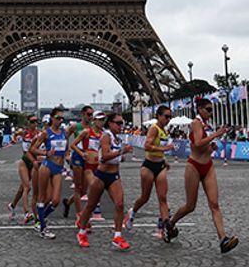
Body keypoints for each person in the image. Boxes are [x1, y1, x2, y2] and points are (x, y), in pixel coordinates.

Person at [163, 98, 239, 254]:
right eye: (208, 110)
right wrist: (216, 135)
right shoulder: (196, 123)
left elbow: (203, 145)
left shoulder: (206, 125)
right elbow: (197, 143)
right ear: (200, 109)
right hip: (194, 167)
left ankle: (223, 239)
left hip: (208, 166)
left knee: (214, 204)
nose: (211, 113)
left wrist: (211, 146)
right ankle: (170, 224)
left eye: (212, 110)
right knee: (190, 206)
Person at [76, 112, 133, 250]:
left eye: (122, 123)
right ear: (110, 124)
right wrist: (121, 152)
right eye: (118, 123)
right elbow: (105, 157)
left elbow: (113, 156)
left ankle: (117, 236)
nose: (121, 126)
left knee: (120, 204)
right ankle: (82, 232)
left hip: (114, 175)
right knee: (91, 205)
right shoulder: (105, 137)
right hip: (101, 175)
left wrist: (121, 157)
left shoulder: (117, 139)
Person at [127, 106, 175, 239]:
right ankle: (132, 212)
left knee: (163, 198)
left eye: (170, 117)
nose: (168, 119)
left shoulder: (164, 131)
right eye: (166, 116)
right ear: (158, 116)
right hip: (148, 166)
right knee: (145, 197)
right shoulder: (154, 128)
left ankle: (164, 228)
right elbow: (146, 146)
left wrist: (164, 159)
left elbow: (158, 150)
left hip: (160, 166)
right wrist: (165, 148)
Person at [33, 108, 69, 239]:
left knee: (55, 200)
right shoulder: (46, 133)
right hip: (47, 166)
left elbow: (66, 150)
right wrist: (46, 153)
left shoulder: (64, 133)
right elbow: (33, 149)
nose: (60, 120)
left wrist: (69, 157)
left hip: (58, 168)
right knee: (42, 197)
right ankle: (43, 227)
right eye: (58, 118)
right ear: (52, 118)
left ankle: (40, 219)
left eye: (62, 119)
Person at [9, 115, 41, 224]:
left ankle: (12, 205)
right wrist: (13, 139)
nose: (35, 124)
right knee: (27, 187)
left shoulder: (39, 134)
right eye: (32, 121)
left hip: (34, 162)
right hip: (25, 162)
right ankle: (26, 213)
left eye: (36, 121)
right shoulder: (24, 132)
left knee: (22, 188)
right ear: (28, 123)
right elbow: (15, 134)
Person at [66, 106, 96, 220]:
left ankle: (69, 202)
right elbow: (64, 138)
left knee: (84, 190)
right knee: (78, 187)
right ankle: (80, 215)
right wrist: (66, 153)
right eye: (88, 114)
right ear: (83, 114)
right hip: (78, 156)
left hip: (89, 158)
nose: (91, 116)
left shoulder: (94, 127)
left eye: (92, 114)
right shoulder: (75, 126)